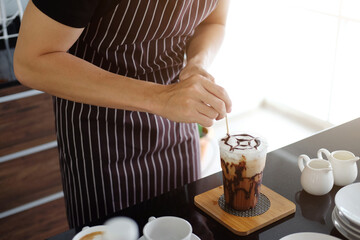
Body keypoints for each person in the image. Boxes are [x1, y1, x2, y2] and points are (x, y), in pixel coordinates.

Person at [14, 0, 232, 228]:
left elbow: (213, 22)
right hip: (100, 134)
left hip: (176, 127)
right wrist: (160, 98)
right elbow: (30, 61)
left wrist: (197, 64)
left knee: (183, 224)